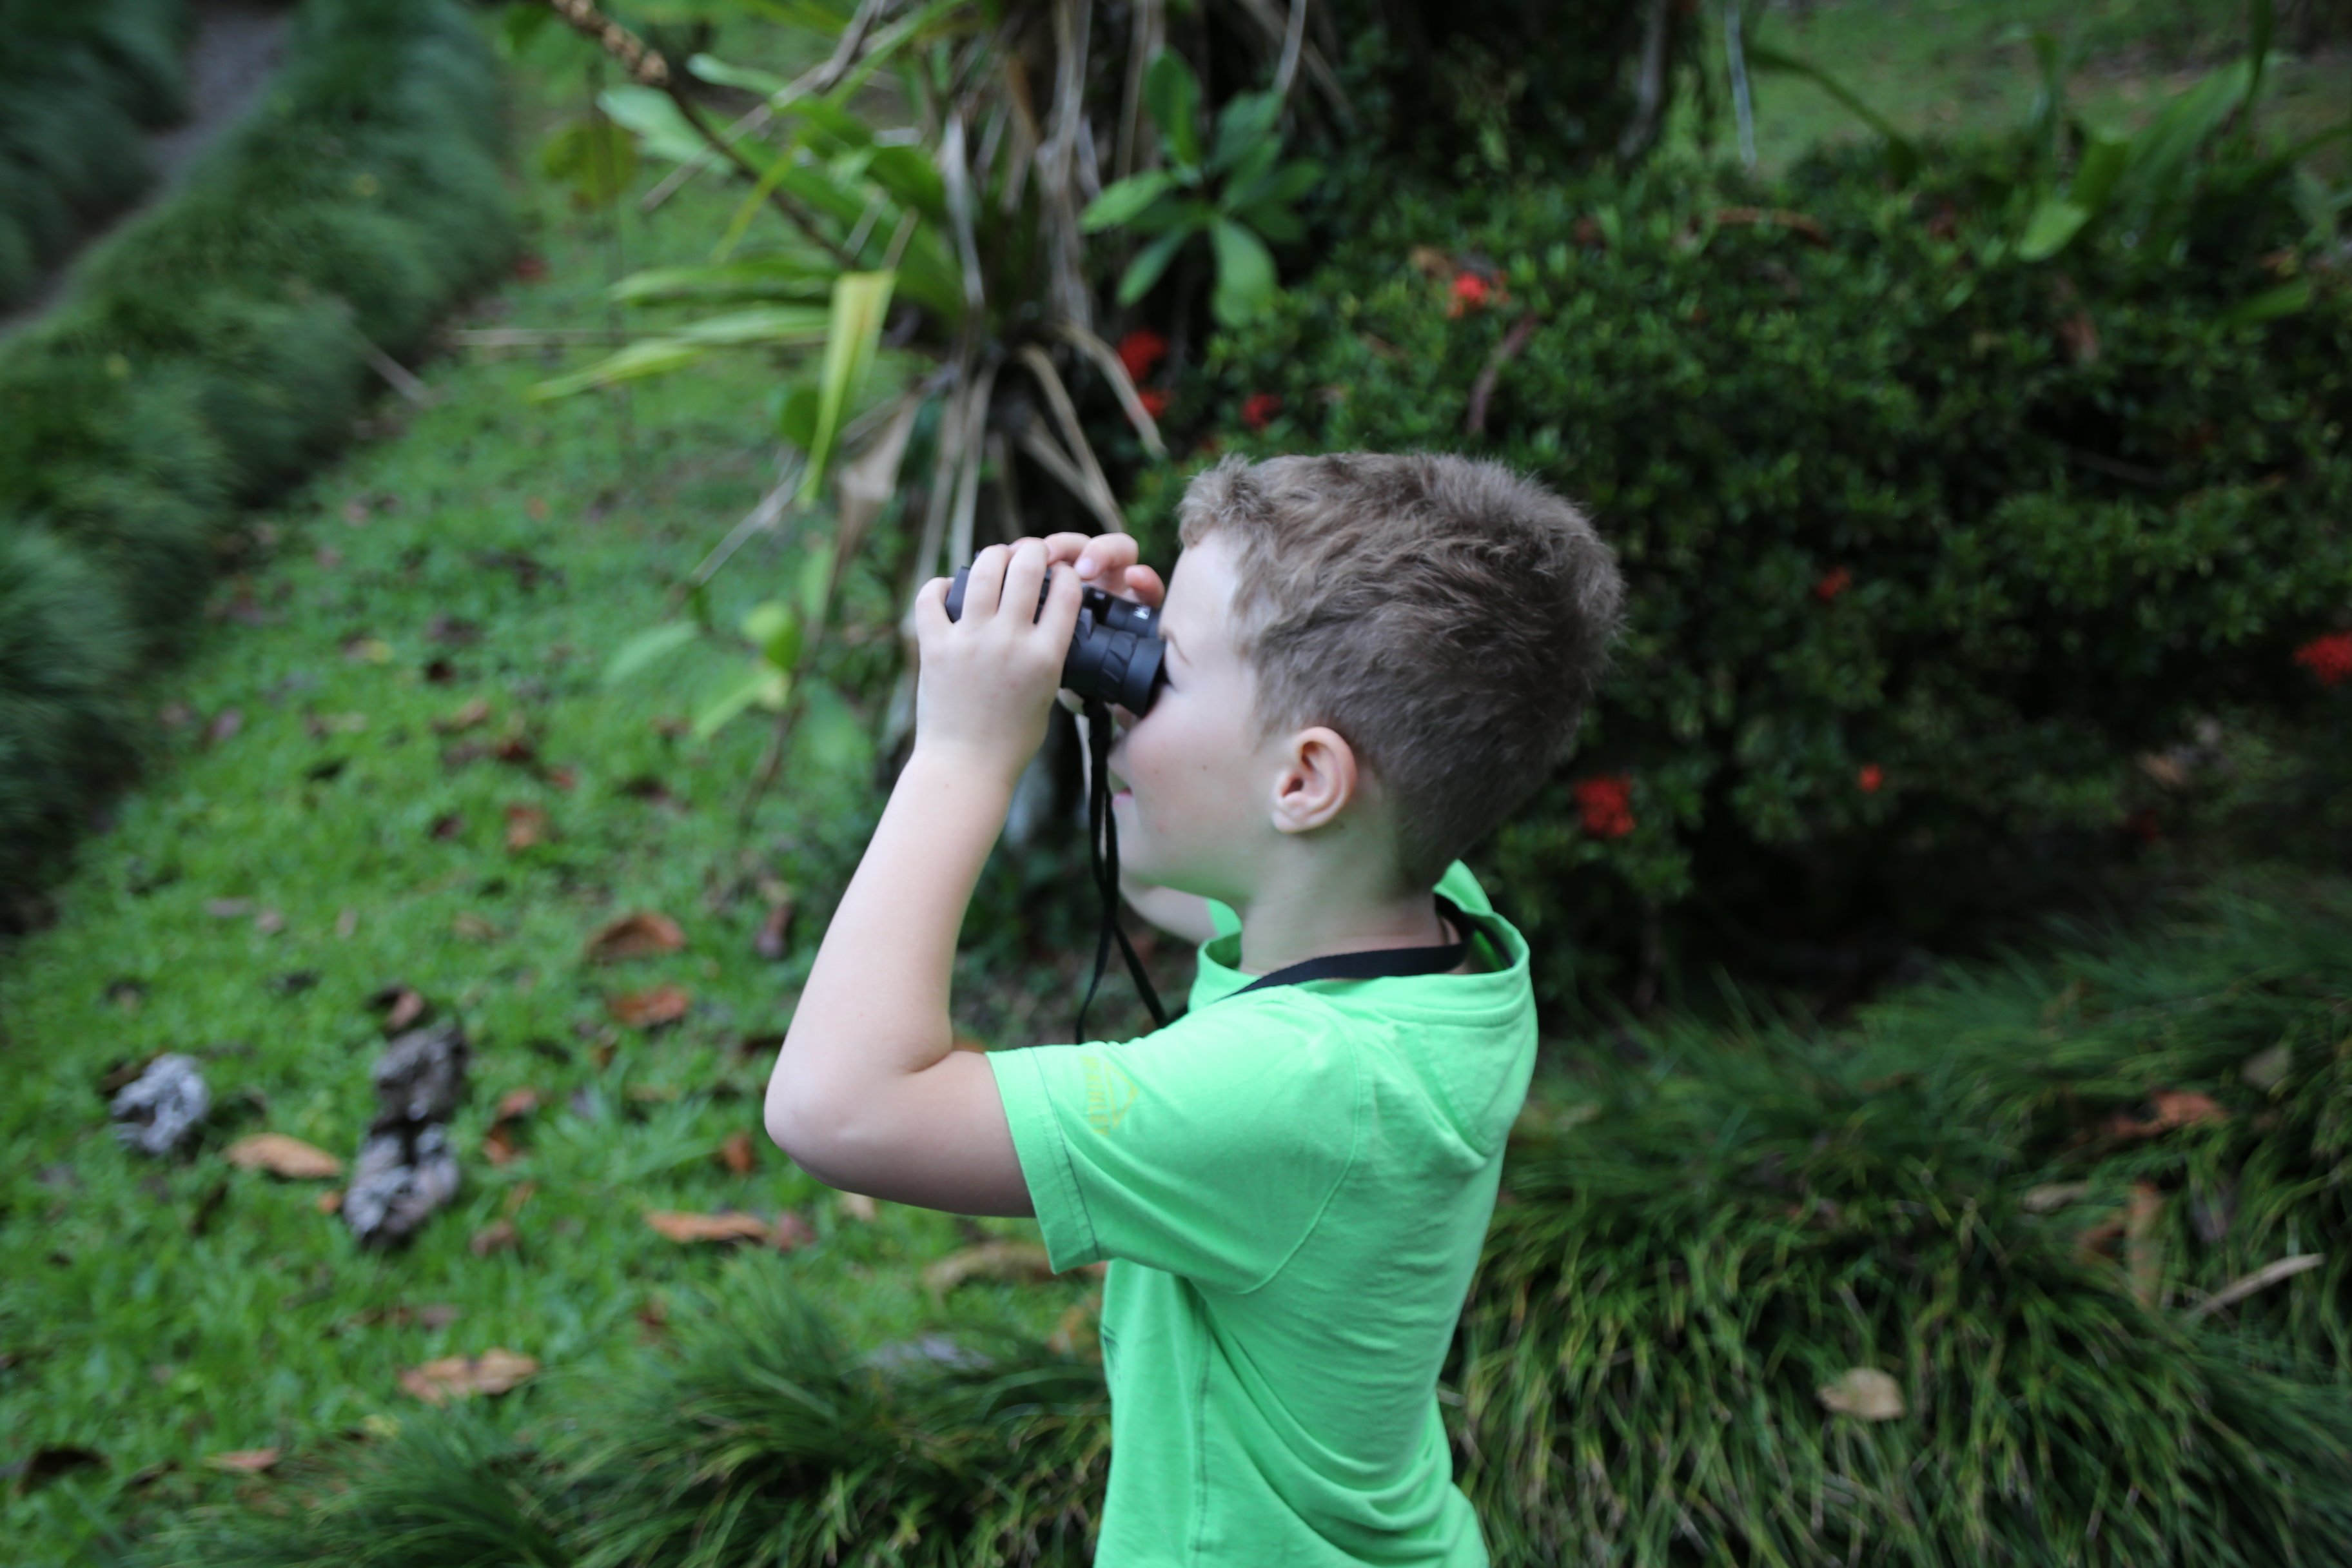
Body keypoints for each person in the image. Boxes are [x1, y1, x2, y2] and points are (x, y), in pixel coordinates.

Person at [763, 450, 1625, 1565]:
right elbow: (1181, 868)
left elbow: (837, 1106)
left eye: (1164, 669)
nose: (1131, 689)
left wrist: (962, 752)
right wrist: (1105, 685)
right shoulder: (1427, 921)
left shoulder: (1290, 1094)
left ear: (1306, 782)